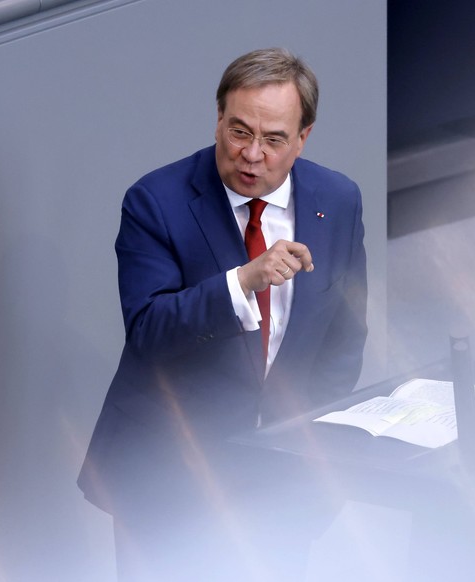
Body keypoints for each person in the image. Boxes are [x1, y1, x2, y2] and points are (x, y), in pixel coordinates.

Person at [77, 48, 368, 580]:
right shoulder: (155, 202)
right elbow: (148, 330)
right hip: (169, 478)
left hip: (282, 478)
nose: (251, 154)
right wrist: (243, 282)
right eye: (238, 131)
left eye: (274, 139)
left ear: (303, 138)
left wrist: (310, 443)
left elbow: (344, 338)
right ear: (218, 119)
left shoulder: (338, 200)